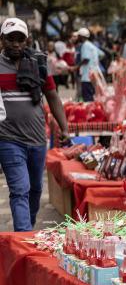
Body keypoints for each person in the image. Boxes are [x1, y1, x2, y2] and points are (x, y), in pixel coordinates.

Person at [0, 18, 69, 231]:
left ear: (27, 40)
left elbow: (52, 95)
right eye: (10, 39)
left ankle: (27, 226)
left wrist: (64, 127)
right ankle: (24, 237)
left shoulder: (39, 63)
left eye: (20, 39)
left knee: (36, 189)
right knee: (20, 189)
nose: (16, 44)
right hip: (8, 139)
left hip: (38, 139)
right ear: (2, 40)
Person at [77, 27, 100, 102]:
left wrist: (76, 67)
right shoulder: (91, 45)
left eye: (78, 36)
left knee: (87, 99)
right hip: (93, 74)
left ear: (81, 36)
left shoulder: (85, 45)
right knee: (92, 97)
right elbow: (102, 54)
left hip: (87, 76)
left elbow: (86, 59)